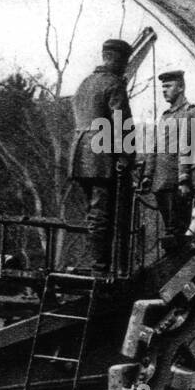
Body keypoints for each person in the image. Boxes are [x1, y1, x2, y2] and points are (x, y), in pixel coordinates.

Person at [69, 38, 135, 273]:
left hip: (80, 155)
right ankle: (101, 266)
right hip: (101, 156)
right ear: (119, 60)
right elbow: (121, 124)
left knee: (94, 211)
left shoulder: (85, 83)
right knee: (103, 212)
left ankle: (98, 262)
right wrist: (127, 156)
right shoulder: (114, 84)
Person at [141, 70, 195, 252]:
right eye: (163, 87)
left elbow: (186, 149)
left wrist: (183, 178)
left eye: (169, 86)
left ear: (180, 87)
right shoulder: (165, 116)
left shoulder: (189, 113)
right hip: (160, 183)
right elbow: (153, 148)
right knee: (169, 231)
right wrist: (148, 176)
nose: (164, 90)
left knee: (177, 232)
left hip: (175, 184)